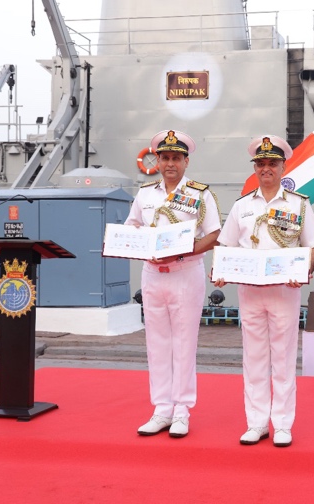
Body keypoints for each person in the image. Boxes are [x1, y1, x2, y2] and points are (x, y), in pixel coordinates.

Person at [214, 134, 314, 448]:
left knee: (284, 358)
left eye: (272, 163)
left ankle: (284, 424)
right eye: (261, 163)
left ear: (282, 166)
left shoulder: (299, 204)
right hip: (250, 292)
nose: (266, 168)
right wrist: (221, 270)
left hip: (284, 293)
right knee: (254, 358)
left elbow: (313, 246)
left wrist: (305, 269)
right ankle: (257, 422)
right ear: (255, 168)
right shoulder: (242, 207)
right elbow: (225, 245)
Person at [126, 129, 221, 438]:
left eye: (176, 158)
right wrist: (145, 246)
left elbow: (214, 234)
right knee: (156, 343)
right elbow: (132, 227)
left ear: (186, 161)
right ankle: (161, 409)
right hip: (152, 274)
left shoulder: (199, 194)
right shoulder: (145, 194)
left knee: (183, 343)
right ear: (157, 160)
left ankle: (182, 411)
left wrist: (186, 249)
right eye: (164, 158)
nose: (169, 163)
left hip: (185, 273)